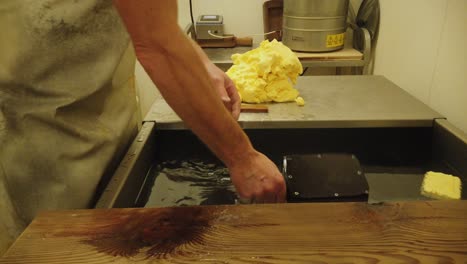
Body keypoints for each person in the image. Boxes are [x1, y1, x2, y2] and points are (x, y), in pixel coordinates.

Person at [0, 0, 286, 255]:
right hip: (35, 136)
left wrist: (199, 63)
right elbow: (156, 44)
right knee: (57, 249)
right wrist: (243, 158)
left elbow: (151, 19)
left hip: (103, 116)